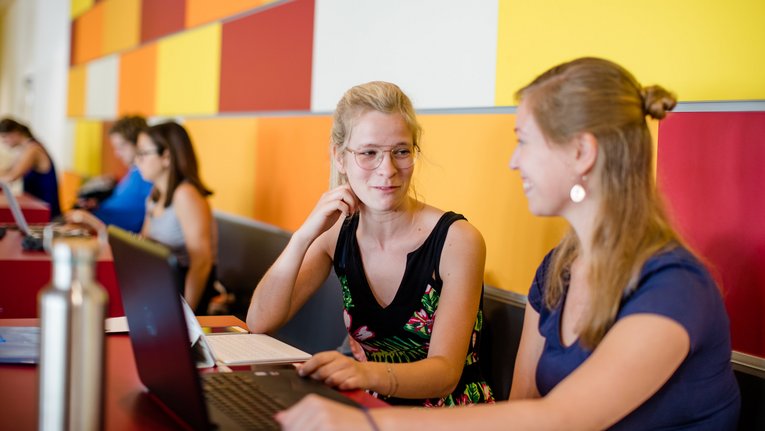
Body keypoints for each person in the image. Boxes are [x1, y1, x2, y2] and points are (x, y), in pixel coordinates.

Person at [276, 58, 741, 430]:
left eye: (525, 141)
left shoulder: (676, 287)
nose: (514, 161)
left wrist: (369, 425)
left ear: (581, 153)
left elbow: (561, 419)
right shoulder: (557, 270)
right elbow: (521, 408)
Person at [247, 81, 494, 407]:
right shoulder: (336, 233)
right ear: (339, 156)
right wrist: (303, 236)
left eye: (401, 151)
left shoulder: (458, 240)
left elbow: (445, 374)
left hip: (448, 415)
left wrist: (363, 374)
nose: (387, 170)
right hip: (370, 407)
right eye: (369, 153)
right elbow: (260, 321)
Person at [136, 121, 218, 314]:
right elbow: (145, 243)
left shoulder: (186, 195)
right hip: (161, 288)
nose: (136, 161)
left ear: (166, 157)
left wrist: (184, 314)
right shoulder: (155, 195)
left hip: (185, 293)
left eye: (143, 154)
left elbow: (201, 263)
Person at [77, 115, 153, 233]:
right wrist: (96, 205)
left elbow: (129, 220)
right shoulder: (132, 172)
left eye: (121, 147)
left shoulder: (146, 176)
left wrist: (87, 218)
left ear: (139, 142)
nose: (117, 154)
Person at [0, 118, 61, 219]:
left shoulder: (33, 149)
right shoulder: (25, 149)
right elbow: (7, 171)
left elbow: (12, 177)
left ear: (15, 133)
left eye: (4, 137)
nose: (4, 142)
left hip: (46, 210)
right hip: (38, 207)